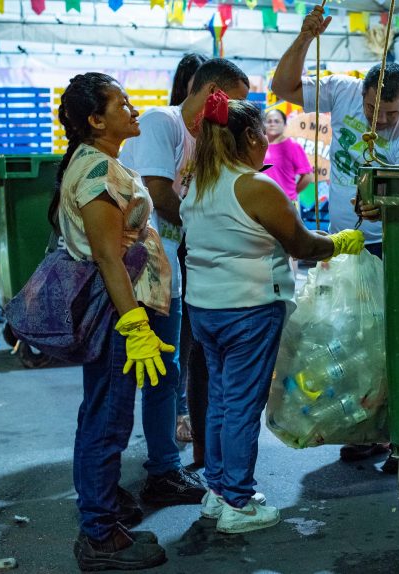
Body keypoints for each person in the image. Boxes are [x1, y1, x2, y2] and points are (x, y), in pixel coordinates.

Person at [181, 91, 364, 533]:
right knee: (242, 405)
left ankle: (219, 490)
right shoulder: (254, 185)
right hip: (249, 309)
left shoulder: (196, 182)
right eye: (263, 134)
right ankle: (240, 505)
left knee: (222, 401)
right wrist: (338, 241)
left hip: (205, 309)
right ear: (247, 137)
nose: (268, 142)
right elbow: (300, 245)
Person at [270, 4, 399, 467]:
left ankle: (394, 431)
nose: (378, 120)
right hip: (342, 241)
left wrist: (382, 204)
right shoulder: (340, 93)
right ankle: (362, 425)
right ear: (359, 94)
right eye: (371, 109)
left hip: (389, 245)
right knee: (345, 337)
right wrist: (305, 37)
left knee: (386, 339)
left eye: (389, 113)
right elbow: (282, 87)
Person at [48, 72, 171, 570]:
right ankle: (98, 535)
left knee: (98, 410)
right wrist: (135, 326)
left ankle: (103, 510)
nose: (133, 110)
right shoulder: (98, 171)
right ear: (96, 120)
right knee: (109, 419)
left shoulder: (97, 161)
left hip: (116, 304)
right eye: (122, 104)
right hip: (117, 309)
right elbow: (106, 255)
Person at [118, 58, 250, 510]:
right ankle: (114, 484)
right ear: (210, 91)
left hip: (170, 275)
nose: (234, 114)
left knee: (168, 374)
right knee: (127, 380)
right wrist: (210, 231)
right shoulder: (164, 122)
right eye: (231, 102)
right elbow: (158, 192)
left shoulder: (208, 140)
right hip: (135, 275)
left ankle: (163, 470)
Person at [168, 52, 208, 447]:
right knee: (182, 334)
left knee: (199, 337)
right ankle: (180, 411)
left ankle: (195, 413)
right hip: (177, 241)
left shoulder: (214, 131)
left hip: (203, 242)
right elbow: (163, 192)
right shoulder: (170, 125)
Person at [262, 108, 313, 204]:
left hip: (285, 203)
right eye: (269, 121)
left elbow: (308, 176)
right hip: (262, 201)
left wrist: (292, 194)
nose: (272, 124)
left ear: (285, 125)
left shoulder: (292, 145)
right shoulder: (259, 145)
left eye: (277, 121)